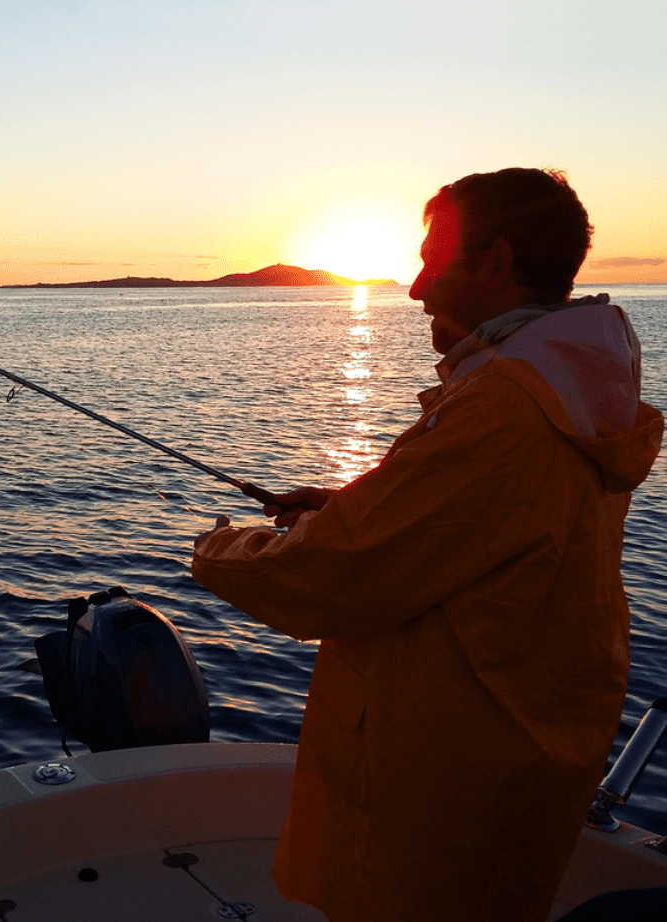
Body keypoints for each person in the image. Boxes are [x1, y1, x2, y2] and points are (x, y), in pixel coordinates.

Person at [191, 168, 663, 922]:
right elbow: (491, 529)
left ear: (496, 264)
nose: (414, 289)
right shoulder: (584, 385)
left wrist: (218, 547)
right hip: (529, 740)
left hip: (450, 768)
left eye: (431, 260)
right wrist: (352, 506)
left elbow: (330, 576)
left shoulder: (504, 406)